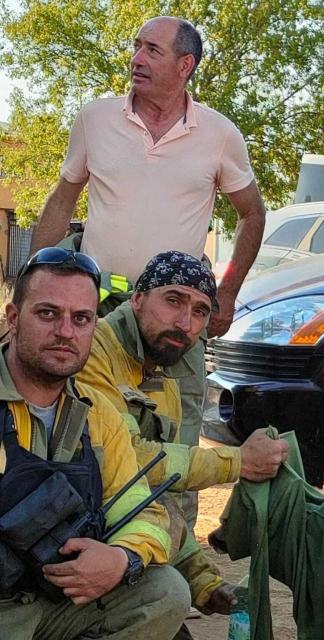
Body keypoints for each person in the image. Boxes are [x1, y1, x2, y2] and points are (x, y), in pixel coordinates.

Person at [30, 15, 266, 532]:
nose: (136, 58)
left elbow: (253, 212)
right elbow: (64, 195)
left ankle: (174, 578)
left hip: (174, 321)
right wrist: (34, 281)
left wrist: (225, 293)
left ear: (185, 66)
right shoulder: (94, 119)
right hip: (96, 312)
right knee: (79, 434)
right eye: (136, 47)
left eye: (151, 51)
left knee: (174, 445)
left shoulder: (219, 134)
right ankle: (80, 552)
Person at [74, 250, 288, 635]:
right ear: (137, 298)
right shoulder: (93, 350)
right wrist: (237, 462)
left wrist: (202, 581)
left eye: (200, 311)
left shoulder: (165, 374)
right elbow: (133, 461)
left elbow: (160, 494)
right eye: (173, 301)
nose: (184, 322)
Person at [0, 247, 190, 639]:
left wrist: (120, 560)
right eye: (48, 313)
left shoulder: (97, 412)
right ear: (14, 318)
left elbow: (144, 512)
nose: (66, 332)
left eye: (81, 318)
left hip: (57, 601)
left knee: (164, 593)